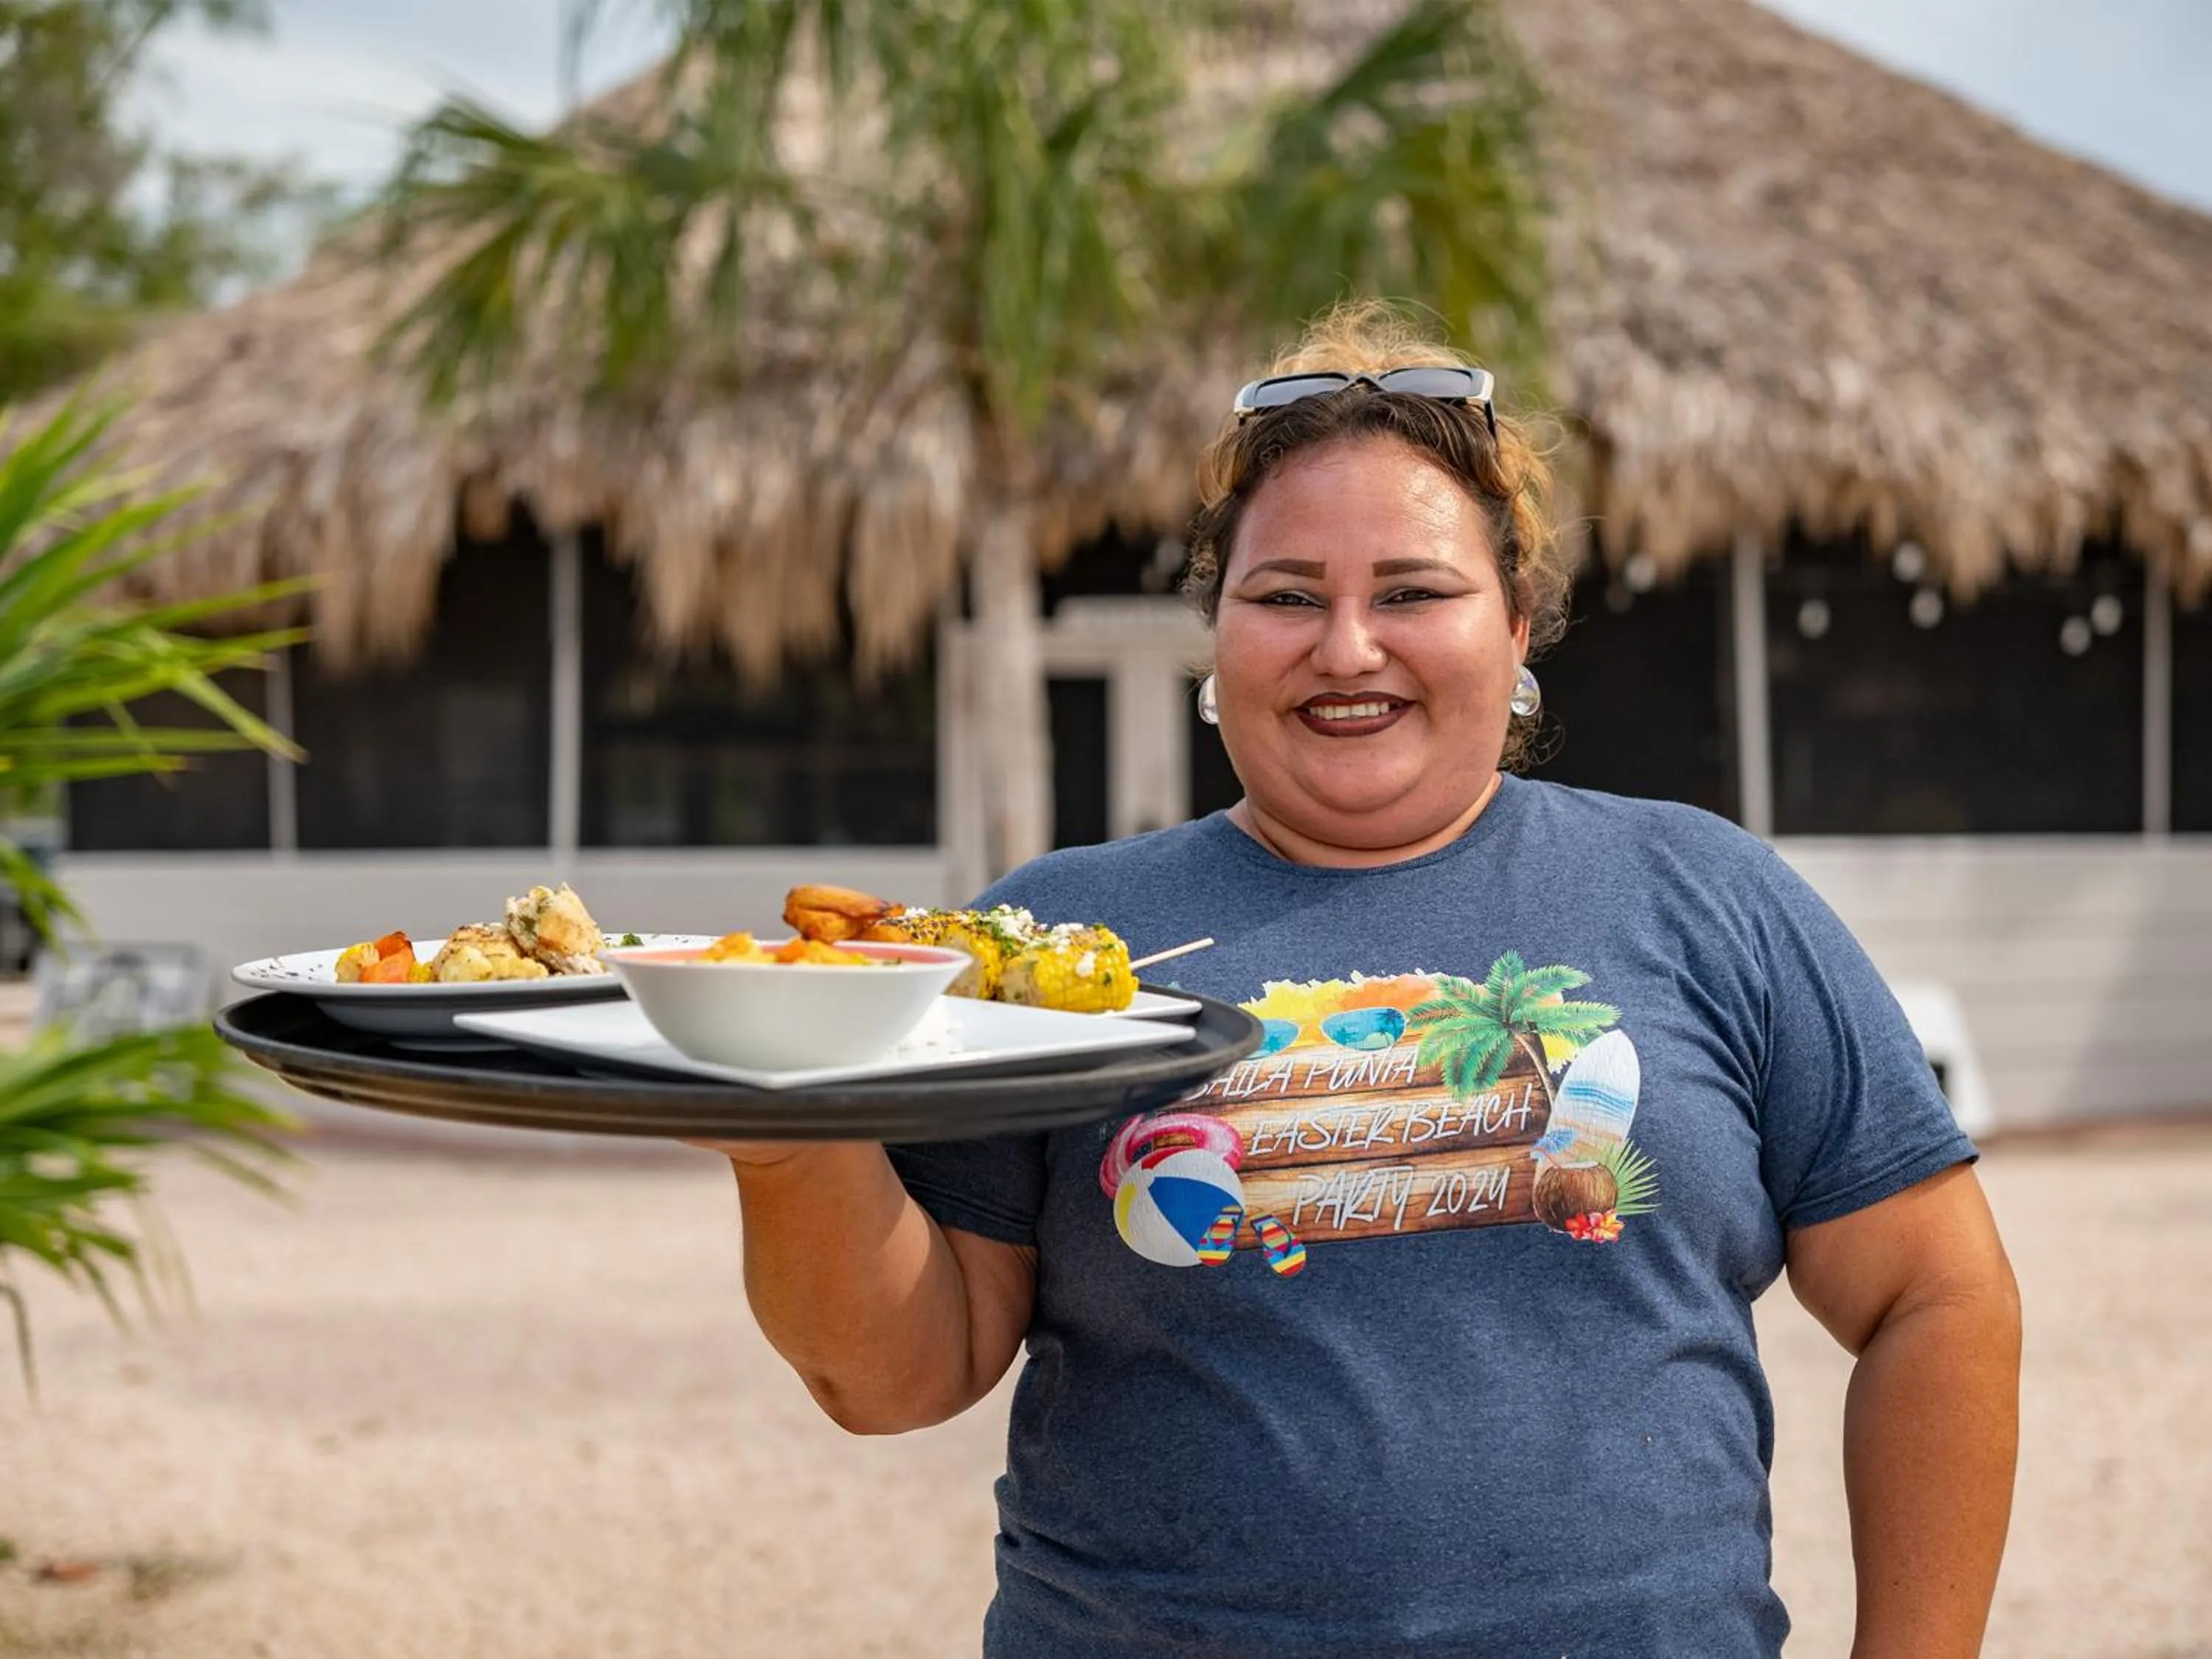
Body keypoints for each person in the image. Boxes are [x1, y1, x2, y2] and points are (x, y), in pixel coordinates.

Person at [703, 301, 2021, 1658]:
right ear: (1217, 638)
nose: (1346, 647)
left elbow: (1938, 1293)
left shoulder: (1708, 897)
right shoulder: (1051, 945)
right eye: (1285, 596)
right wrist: (790, 1140)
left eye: (1412, 591)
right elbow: (895, 1374)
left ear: (1517, 629)